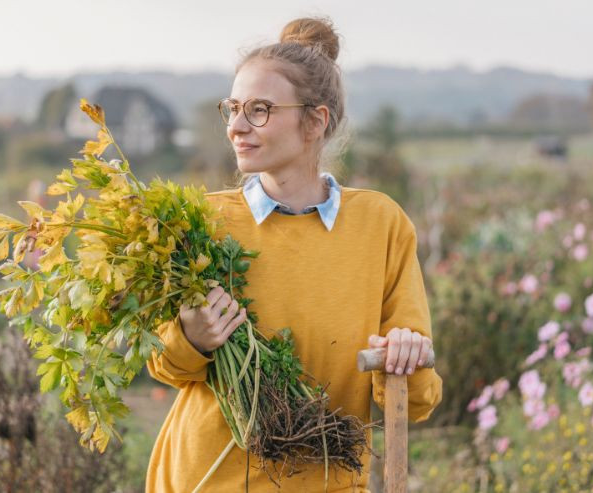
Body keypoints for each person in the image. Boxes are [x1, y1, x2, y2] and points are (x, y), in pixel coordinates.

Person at [146, 16, 443, 492]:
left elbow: (418, 399)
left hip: (327, 481)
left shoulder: (379, 225)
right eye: (233, 108)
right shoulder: (199, 221)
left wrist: (405, 360)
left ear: (315, 121)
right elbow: (165, 365)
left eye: (259, 110)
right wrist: (192, 336)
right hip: (207, 479)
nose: (236, 127)